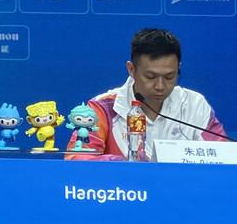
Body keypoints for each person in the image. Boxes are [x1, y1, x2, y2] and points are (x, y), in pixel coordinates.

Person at [67, 28, 226, 161]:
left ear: (179, 68)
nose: (160, 86)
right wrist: (126, 166)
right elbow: (77, 158)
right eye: (150, 77)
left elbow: (223, 157)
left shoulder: (195, 104)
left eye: (169, 77)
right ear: (131, 69)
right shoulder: (103, 107)